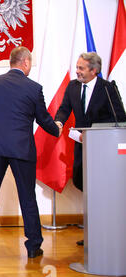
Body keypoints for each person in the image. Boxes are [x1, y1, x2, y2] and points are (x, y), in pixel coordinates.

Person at [0, 47, 61, 259]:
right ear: (26, 63)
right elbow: (43, 118)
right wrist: (57, 128)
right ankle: (33, 246)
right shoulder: (33, 88)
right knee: (27, 196)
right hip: (22, 148)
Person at [54, 52, 126, 246]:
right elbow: (64, 108)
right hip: (82, 148)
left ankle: (105, 234)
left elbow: (119, 118)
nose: (77, 71)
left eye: (81, 68)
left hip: (103, 150)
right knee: (82, 183)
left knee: (102, 190)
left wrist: (95, 134)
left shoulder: (108, 89)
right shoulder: (73, 86)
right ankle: (94, 233)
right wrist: (59, 122)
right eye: (77, 67)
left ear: (94, 70)